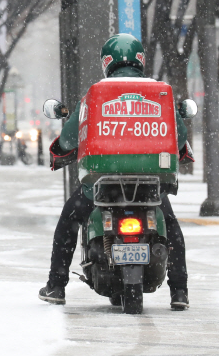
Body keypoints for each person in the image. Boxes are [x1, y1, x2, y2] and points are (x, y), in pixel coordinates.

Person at [38, 34, 193, 310]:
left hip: (101, 187)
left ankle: (56, 286)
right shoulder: (157, 92)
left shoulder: (97, 93)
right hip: (149, 187)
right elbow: (179, 135)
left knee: (68, 221)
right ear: (141, 60)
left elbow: (70, 138)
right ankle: (179, 291)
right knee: (171, 227)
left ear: (105, 62)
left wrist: (60, 149)